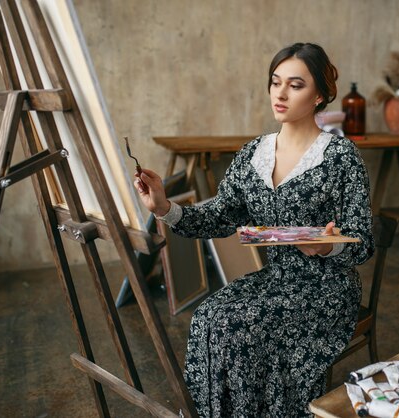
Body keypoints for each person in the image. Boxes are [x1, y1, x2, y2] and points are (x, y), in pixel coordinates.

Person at [135, 42, 374, 417]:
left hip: (326, 289)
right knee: (208, 318)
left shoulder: (341, 157)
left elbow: (363, 240)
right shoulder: (252, 154)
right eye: (275, 82)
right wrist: (164, 207)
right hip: (275, 280)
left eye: (295, 85)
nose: (280, 93)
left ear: (320, 96)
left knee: (240, 330)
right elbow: (220, 215)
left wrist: (328, 246)